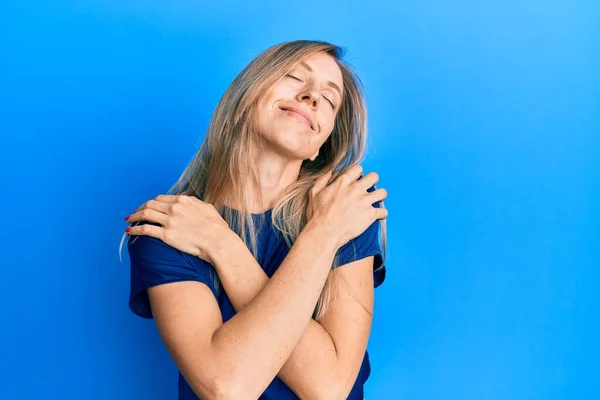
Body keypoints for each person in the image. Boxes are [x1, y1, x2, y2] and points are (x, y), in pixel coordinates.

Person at [121, 39, 388, 399]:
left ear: (320, 144)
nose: (312, 96)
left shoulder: (345, 215)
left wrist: (223, 245)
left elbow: (328, 389)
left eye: (329, 100)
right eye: (295, 77)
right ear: (246, 98)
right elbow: (226, 386)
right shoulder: (169, 228)